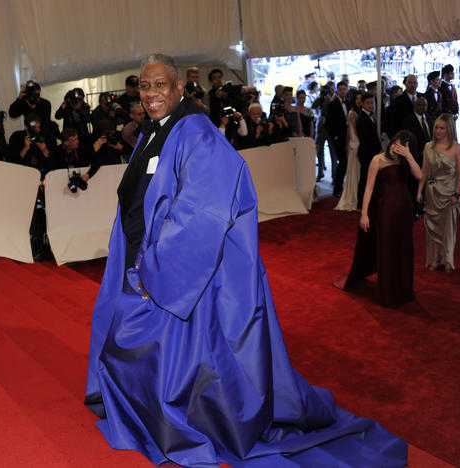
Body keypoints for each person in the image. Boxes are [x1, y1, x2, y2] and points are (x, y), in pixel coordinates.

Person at [84, 53, 407, 468]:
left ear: (179, 87)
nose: (151, 94)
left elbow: (201, 212)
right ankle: (148, 415)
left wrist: (156, 269)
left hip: (179, 276)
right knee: (130, 348)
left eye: (160, 85)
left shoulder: (196, 132)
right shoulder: (154, 132)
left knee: (155, 355)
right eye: (145, 87)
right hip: (144, 262)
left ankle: (173, 422)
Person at [334, 130, 422, 308]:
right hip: (385, 212)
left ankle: (404, 290)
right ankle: (388, 293)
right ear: (391, 142)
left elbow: (420, 176)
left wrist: (409, 156)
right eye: (396, 144)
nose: (397, 149)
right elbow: (369, 188)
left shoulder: (405, 161)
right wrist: (364, 213)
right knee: (387, 249)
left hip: (404, 211)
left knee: (403, 249)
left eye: (402, 147)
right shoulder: (378, 160)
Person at [417, 114, 460, 273]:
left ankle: (449, 261)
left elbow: (459, 174)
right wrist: (419, 191)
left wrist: (457, 194)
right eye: (436, 127)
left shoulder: (457, 148)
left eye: (442, 128)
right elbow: (424, 171)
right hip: (432, 192)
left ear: (449, 129)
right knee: (432, 229)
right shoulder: (428, 147)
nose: (438, 130)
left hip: (449, 193)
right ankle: (436, 259)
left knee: (448, 229)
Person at [334, 90, 363, 211]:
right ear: (354, 100)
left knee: (357, 169)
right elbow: (353, 130)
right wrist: (356, 142)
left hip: (355, 143)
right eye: (357, 99)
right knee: (354, 170)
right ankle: (353, 195)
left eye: (361, 99)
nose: (359, 101)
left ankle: (358, 194)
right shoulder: (353, 113)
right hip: (355, 143)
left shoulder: (359, 111)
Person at [356, 93, 381, 209]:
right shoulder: (361, 118)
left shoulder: (370, 116)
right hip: (367, 153)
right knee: (365, 178)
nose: (371, 105)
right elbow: (366, 139)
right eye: (368, 103)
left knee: (369, 178)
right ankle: (361, 204)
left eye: (372, 103)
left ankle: (366, 202)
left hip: (371, 152)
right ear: (363, 104)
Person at [326, 81, 349, 197]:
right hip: (338, 138)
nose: (342, 91)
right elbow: (328, 123)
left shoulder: (349, 103)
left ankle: (344, 187)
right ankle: (337, 188)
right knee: (343, 162)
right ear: (337, 91)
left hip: (349, 137)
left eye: (344, 89)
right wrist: (335, 137)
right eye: (340, 89)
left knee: (347, 162)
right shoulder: (333, 104)